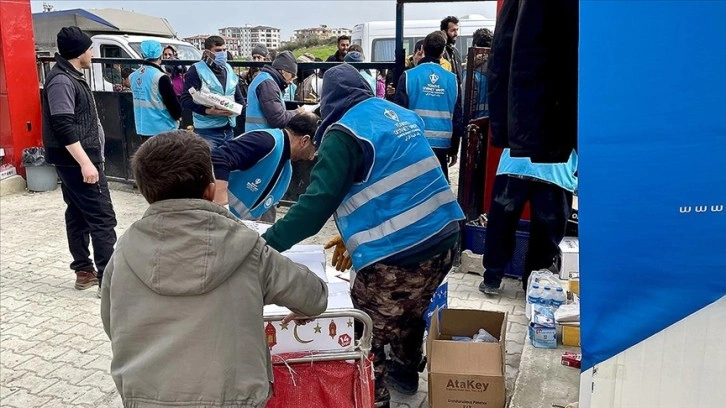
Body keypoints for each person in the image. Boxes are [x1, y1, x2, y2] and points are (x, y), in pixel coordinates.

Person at [260, 64, 465, 408]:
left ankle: (375, 398)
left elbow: (314, 207)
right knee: (410, 311)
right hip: (445, 238)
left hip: (400, 254)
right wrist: (353, 232)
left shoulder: (343, 134)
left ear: (329, 100)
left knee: (364, 332)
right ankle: (406, 373)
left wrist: (263, 247)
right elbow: (389, 175)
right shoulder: (399, 113)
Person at [100, 130, 328, 408]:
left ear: (147, 194)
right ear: (210, 190)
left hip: (145, 398)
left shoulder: (123, 252)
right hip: (234, 399)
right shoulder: (249, 248)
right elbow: (314, 298)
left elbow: (112, 325)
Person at [41, 26, 117, 297]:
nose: (92, 53)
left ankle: (84, 272)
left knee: (77, 214)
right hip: (79, 161)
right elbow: (63, 125)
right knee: (102, 218)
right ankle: (106, 281)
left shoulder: (70, 75)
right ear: (79, 52)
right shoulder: (62, 80)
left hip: (75, 160)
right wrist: (86, 163)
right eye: (90, 48)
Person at [479, 149, 578, 295]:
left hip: (515, 164)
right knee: (547, 232)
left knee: (501, 225)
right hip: (556, 171)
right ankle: (533, 285)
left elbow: (500, 130)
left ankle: (492, 278)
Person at [212, 113, 319, 222]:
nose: (311, 157)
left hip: (232, 227)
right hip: (214, 219)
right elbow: (219, 158)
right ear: (304, 141)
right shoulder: (266, 141)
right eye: (315, 149)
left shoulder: (286, 172)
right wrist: (222, 206)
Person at [395, 31, 464, 181]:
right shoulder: (452, 80)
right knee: (439, 192)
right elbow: (458, 117)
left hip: (415, 143)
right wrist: (454, 149)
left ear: (423, 49)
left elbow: (399, 114)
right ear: (443, 52)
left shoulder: (408, 76)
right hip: (442, 144)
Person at [180, 35, 244, 148]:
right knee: (209, 164)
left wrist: (241, 114)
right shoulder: (196, 70)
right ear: (208, 52)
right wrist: (206, 111)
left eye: (224, 50)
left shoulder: (228, 69)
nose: (223, 54)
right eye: (218, 51)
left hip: (229, 129)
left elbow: (238, 97)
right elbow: (185, 99)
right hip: (207, 131)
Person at [129, 40, 182, 138]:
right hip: (163, 130)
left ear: (142, 55)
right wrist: (178, 117)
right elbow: (174, 107)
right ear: (160, 56)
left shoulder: (133, 76)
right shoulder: (161, 77)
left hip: (143, 129)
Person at [245, 50, 303, 132]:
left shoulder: (265, 79)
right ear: (283, 71)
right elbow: (278, 119)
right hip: (262, 136)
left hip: (257, 133)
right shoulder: (268, 84)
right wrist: (298, 112)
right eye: (292, 76)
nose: (291, 81)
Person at [463, 28, 493, 120]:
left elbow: (466, 104)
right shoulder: (499, 68)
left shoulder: (471, 72)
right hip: (495, 123)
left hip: (476, 123)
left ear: (475, 46)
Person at [440, 16, 463, 82]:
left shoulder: (455, 52)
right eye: (453, 30)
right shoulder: (440, 52)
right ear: (444, 32)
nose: (456, 34)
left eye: (457, 30)